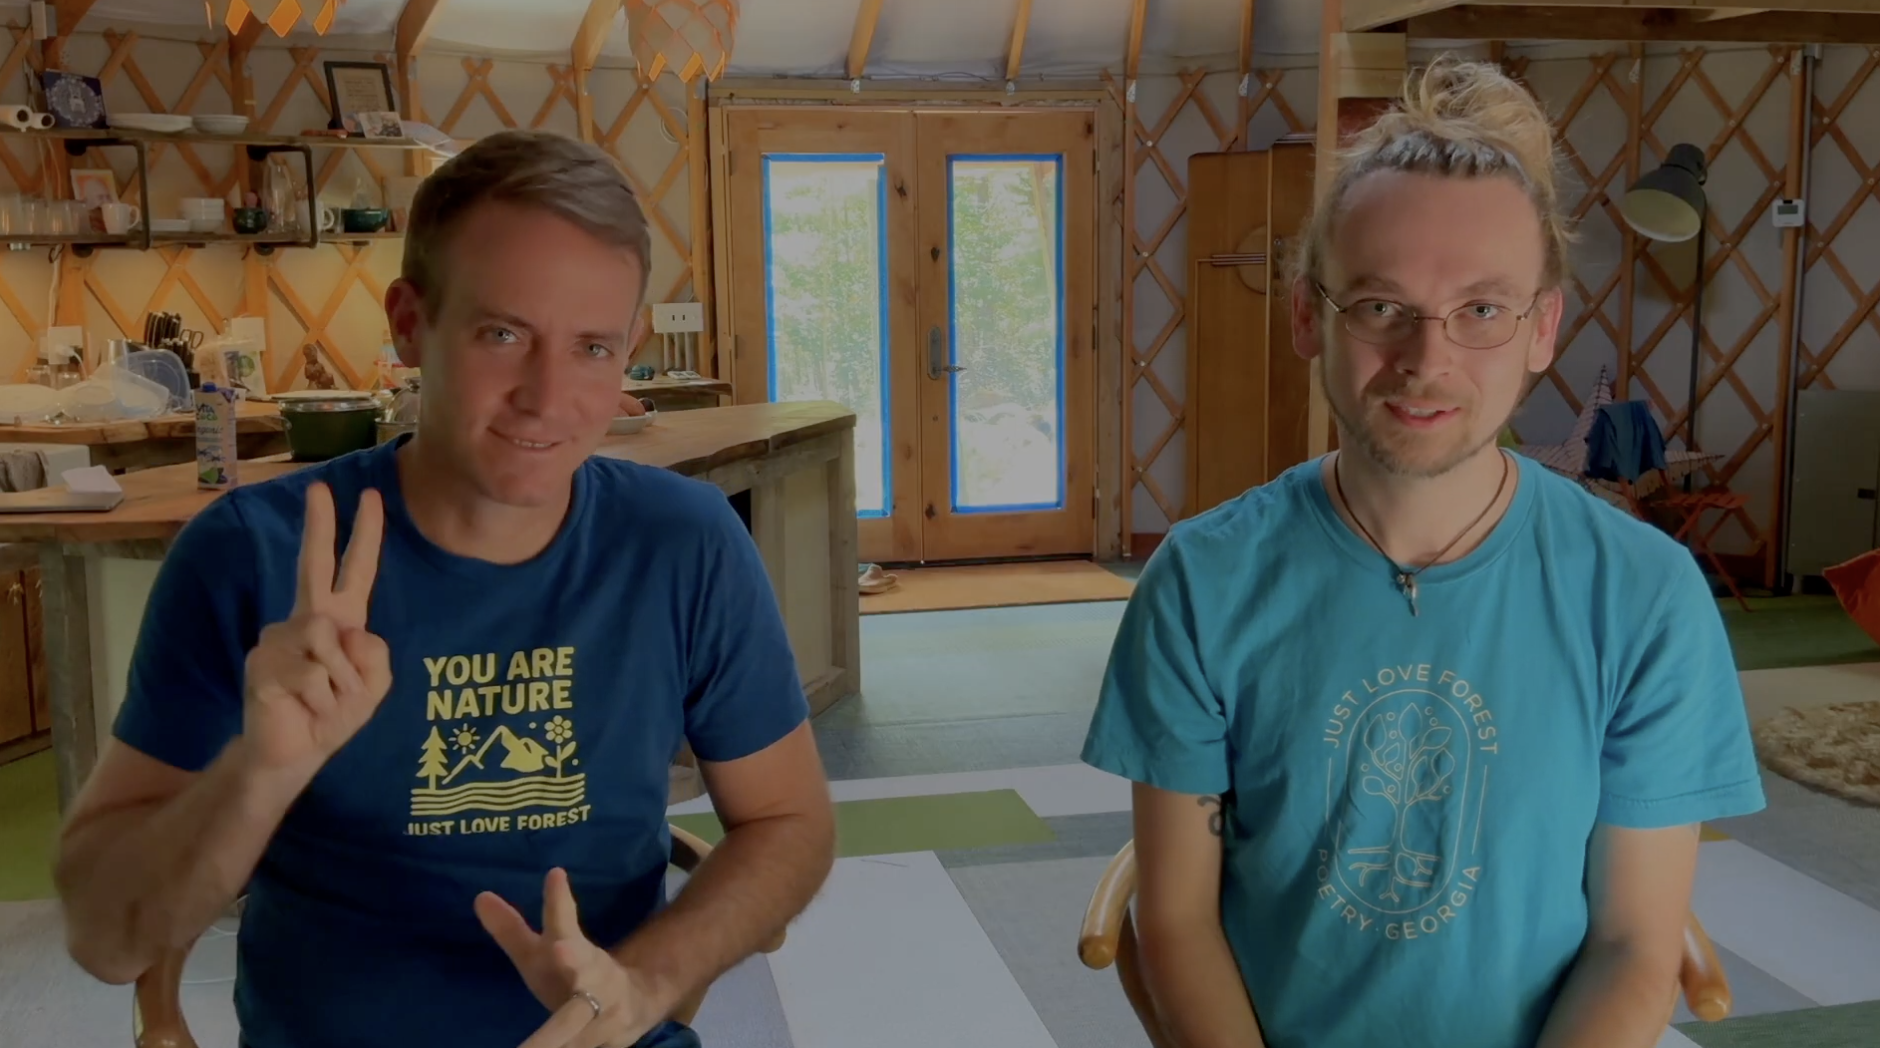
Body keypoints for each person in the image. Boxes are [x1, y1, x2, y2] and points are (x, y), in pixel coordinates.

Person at [53, 129, 836, 1048]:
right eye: (503, 334)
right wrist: (259, 774)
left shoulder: (684, 544)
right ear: (410, 323)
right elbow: (107, 943)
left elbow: (790, 821)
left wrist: (640, 984)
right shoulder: (254, 557)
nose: (548, 398)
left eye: (591, 348)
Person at [1080, 55, 1765, 1048]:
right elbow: (1177, 920)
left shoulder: (1642, 595)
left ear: (1540, 329)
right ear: (1308, 315)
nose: (1424, 359)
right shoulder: (1202, 579)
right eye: (1379, 306)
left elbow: (1630, 942)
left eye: (1479, 311)